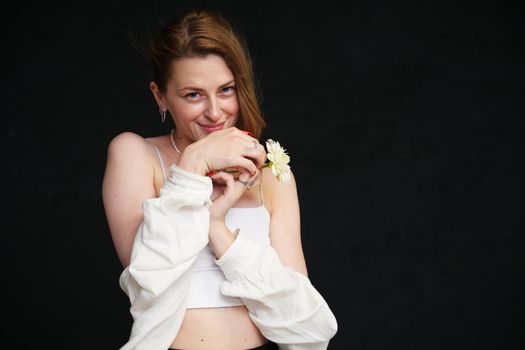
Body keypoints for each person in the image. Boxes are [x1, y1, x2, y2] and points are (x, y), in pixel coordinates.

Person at [102, 9, 337, 350]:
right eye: (193, 95)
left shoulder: (273, 177)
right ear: (160, 96)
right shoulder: (135, 154)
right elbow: (149, 282)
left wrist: (217, 227)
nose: (215, 113)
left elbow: (305, 323)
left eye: (226, 90)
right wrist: (195, 163)